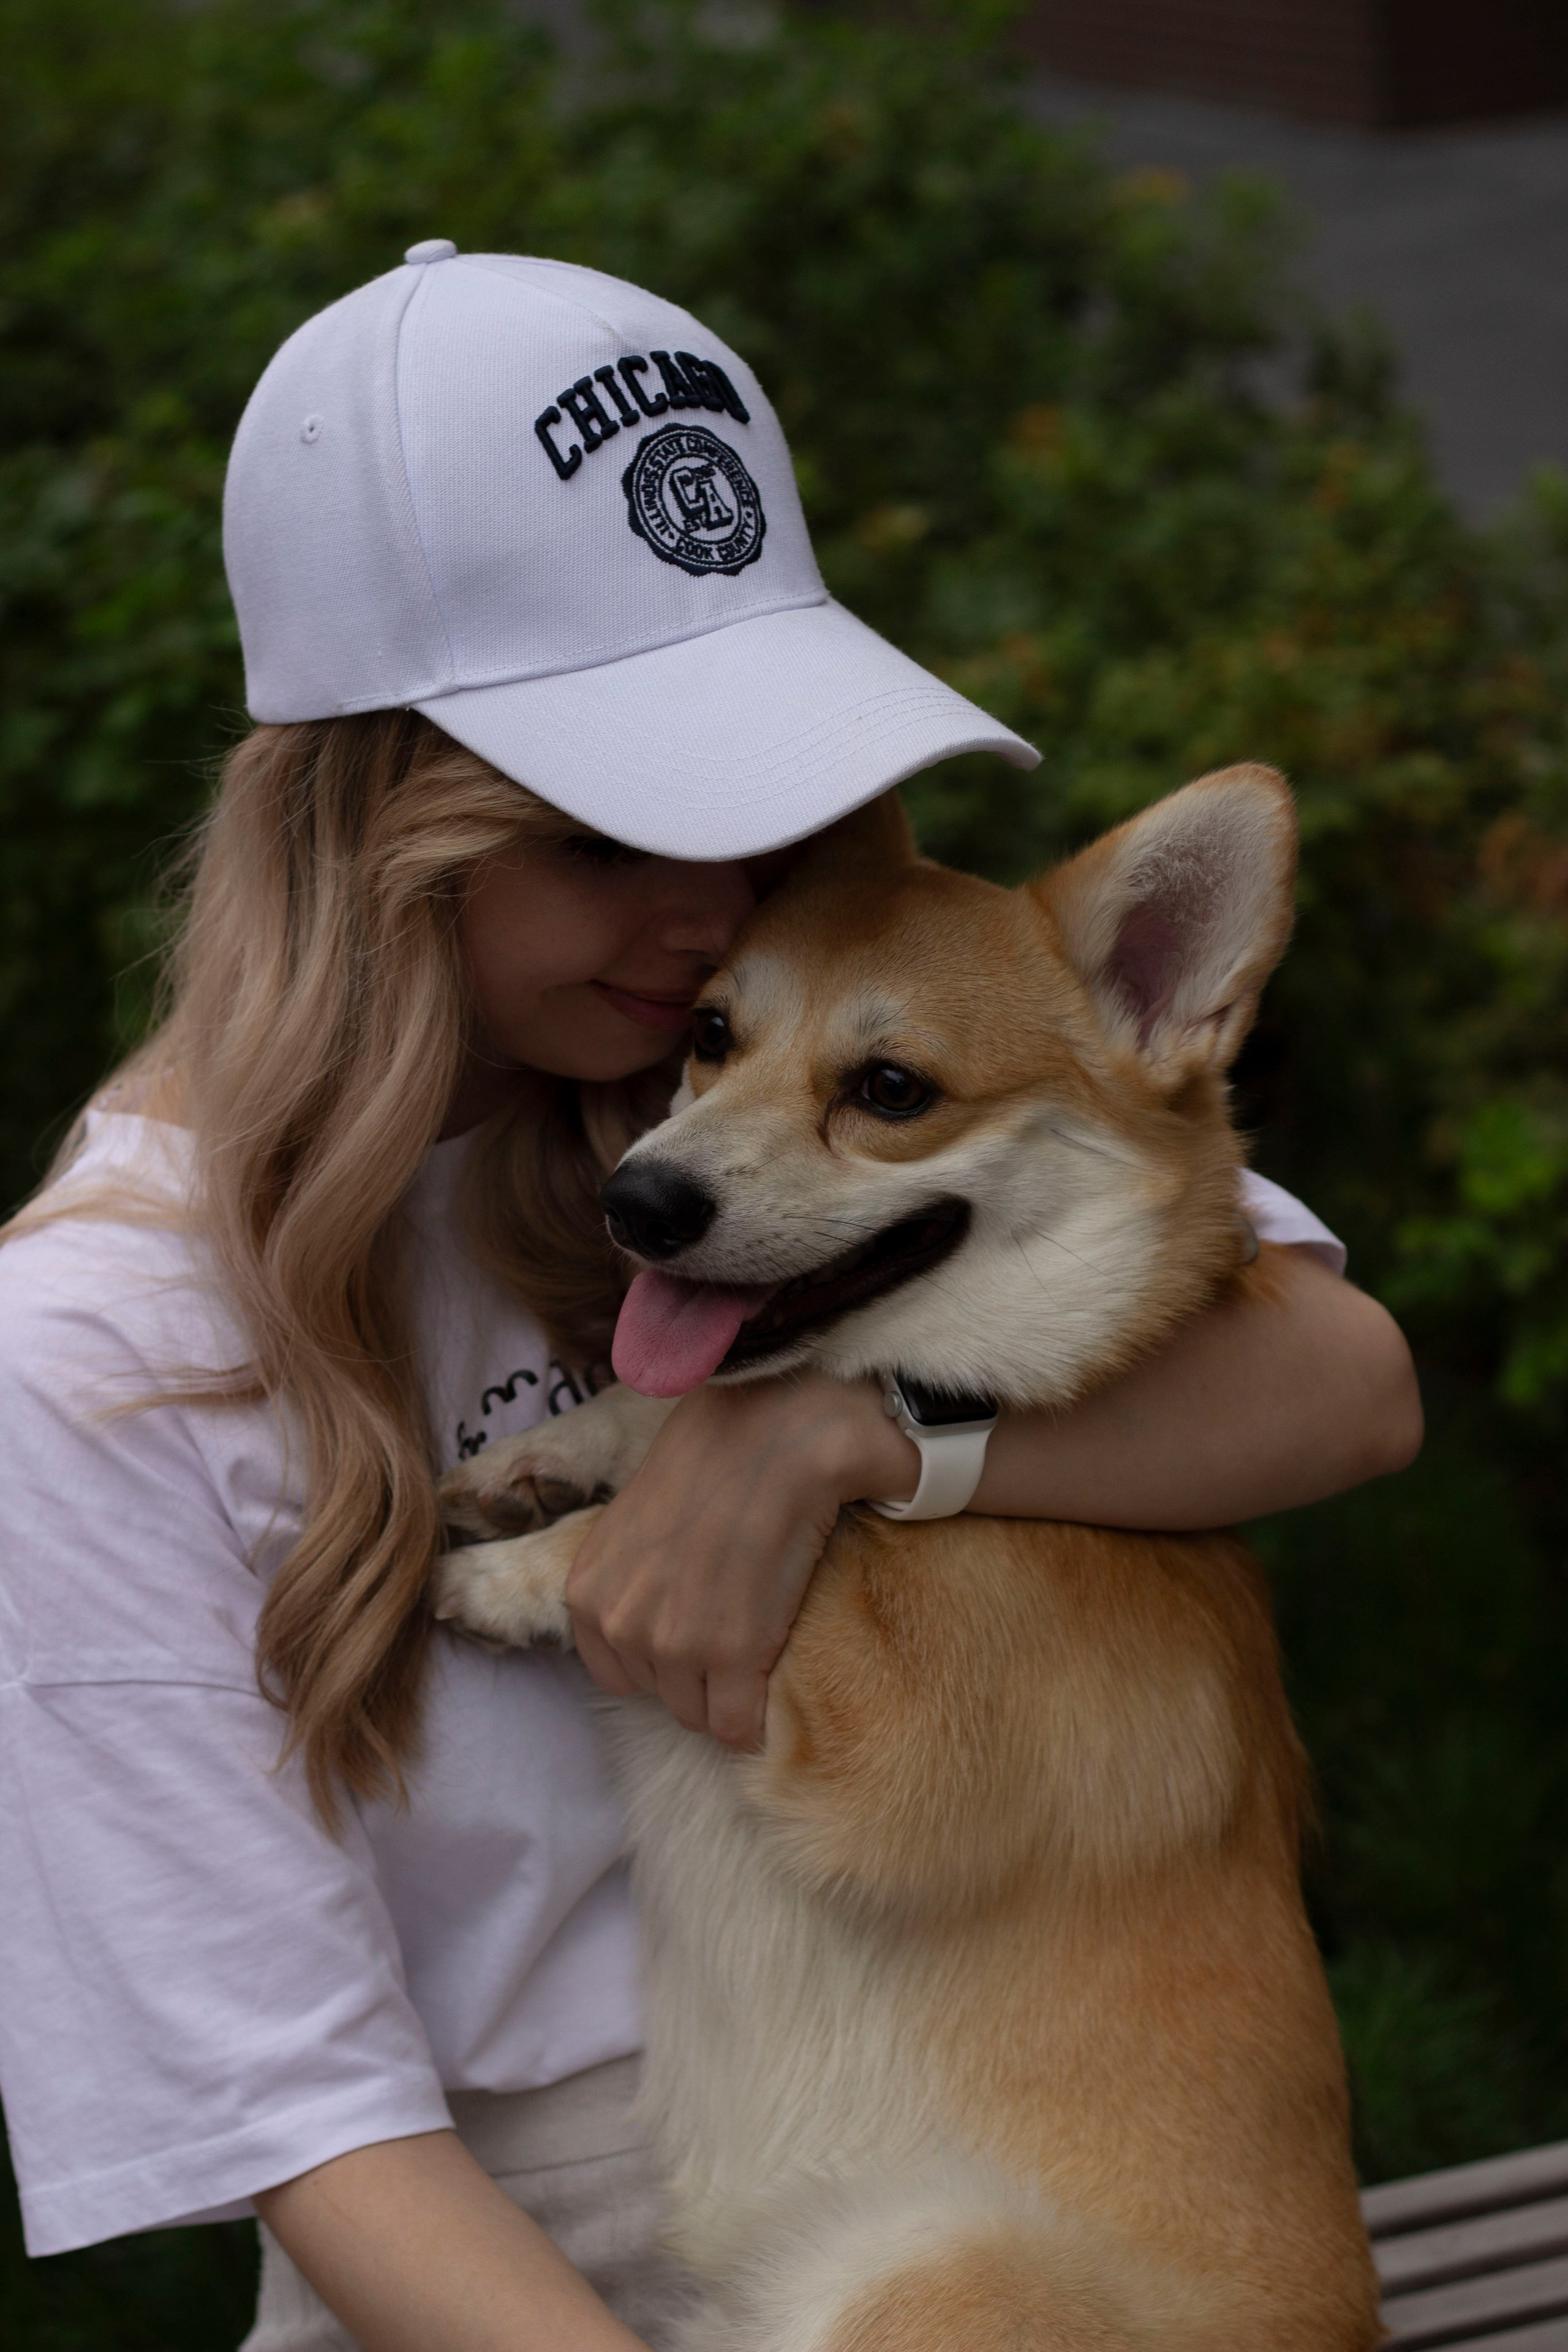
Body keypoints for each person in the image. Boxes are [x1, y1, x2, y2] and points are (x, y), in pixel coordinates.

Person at [0, 247, 1422, 2352]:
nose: (702, 915)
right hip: (502, 2281)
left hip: (936, 2190)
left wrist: (837, 1440)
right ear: (370, 828)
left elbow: (1346, 1378)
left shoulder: (736, 1086)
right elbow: (309, 2123)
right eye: (602, 833)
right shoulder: (100, 1354)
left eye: (745, 798)